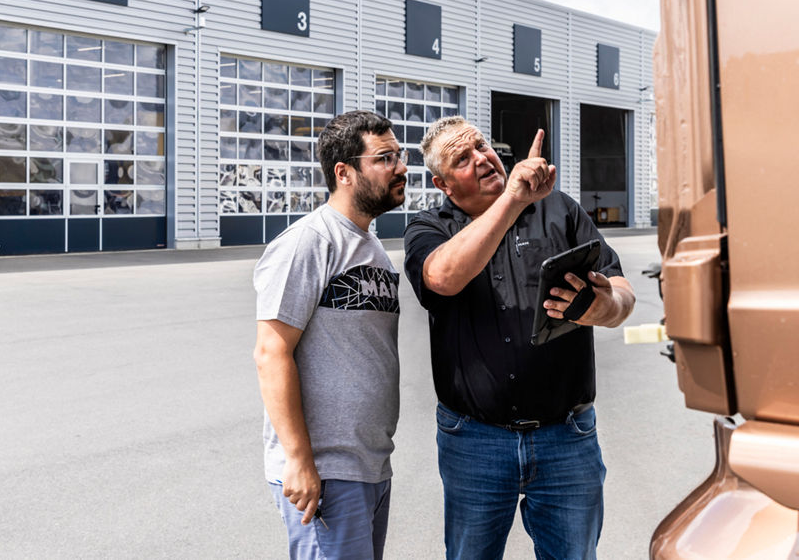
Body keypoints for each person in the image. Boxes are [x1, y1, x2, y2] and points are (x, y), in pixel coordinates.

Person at [402, 116, 635, 559]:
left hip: (566, 436)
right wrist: (511, 199)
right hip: (474, 441)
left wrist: (606, 307)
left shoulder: (559, 209)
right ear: (444, 184)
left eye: (482, 147)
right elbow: (442, 277)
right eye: (462, 158)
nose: (482, 158)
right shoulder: (430, 228)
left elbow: (621, 292)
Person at [252, 110, 408, 560]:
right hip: (324, 471)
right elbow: (271, 352)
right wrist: (299, 460)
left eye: (398, 155)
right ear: (344, 172)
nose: (400, 167)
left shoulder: (373, 249)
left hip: (370, 466)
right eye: (384, 158)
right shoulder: (309, 242)